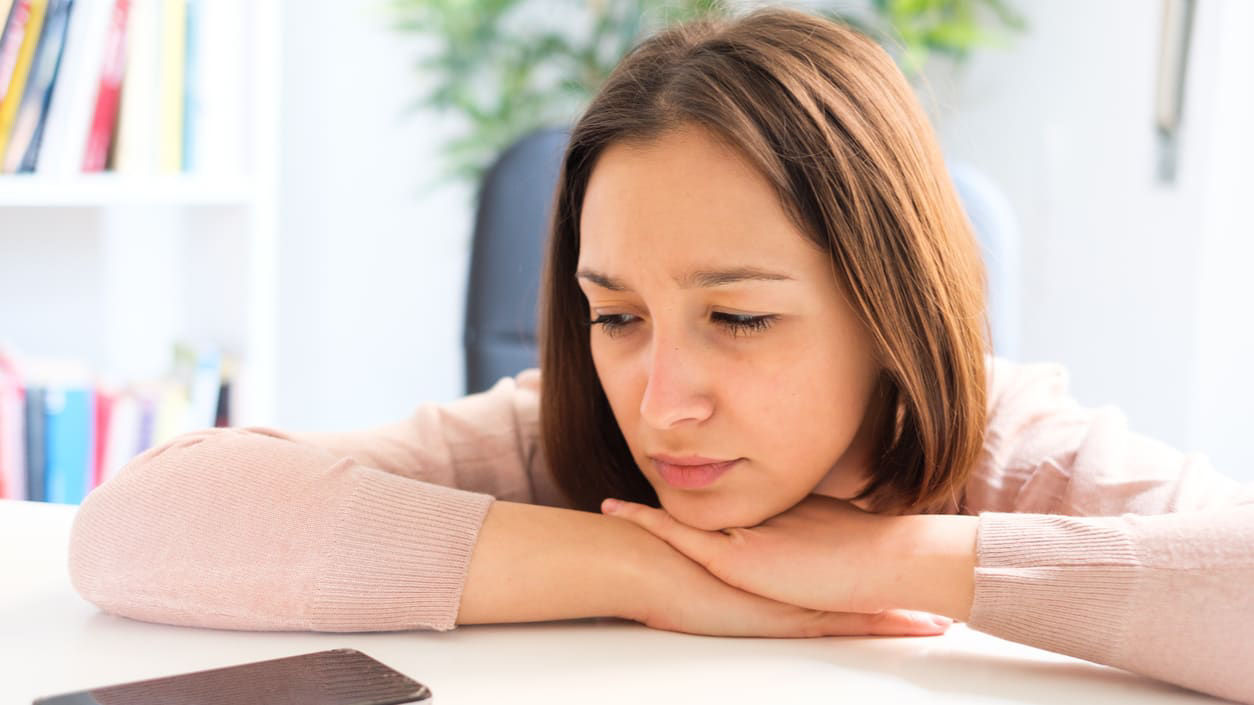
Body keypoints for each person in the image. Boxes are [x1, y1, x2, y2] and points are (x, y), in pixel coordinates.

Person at [68, 7, 1253, 703]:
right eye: (617, 314)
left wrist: (890, 560)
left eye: (738, 319)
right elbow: (140, 522)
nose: (661, 402)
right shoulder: (561, 435)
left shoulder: (1023, 454)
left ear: (891, 314)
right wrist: (648, 572)